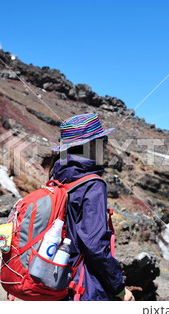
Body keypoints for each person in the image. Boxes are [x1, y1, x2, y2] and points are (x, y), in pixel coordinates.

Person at [50, 113, 134, 301]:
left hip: (57, 277)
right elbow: (94, 245)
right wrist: (119, 288)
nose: (105, 146)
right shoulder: (93, 184)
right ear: (91, 145)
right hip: (84, 286)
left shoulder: (57, 179)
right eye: (103, 140)